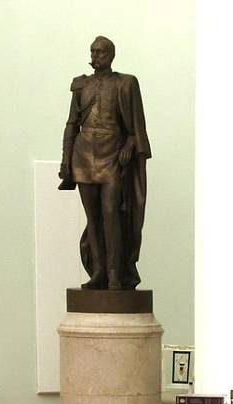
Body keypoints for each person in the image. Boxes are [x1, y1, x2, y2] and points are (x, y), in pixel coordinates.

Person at [59, 35, 150, 290]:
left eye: (100, 52)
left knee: (111, 212)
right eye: (93, 51)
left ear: (111, 54)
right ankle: (98, 272)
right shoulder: (80, 85)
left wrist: (130, 145)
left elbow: (136, 128)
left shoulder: (125, 83)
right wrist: (65, 161)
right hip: (83, 155)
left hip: (111, 155)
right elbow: (71, 124)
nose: (95, 56)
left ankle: (115, 274)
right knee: (93, 217)